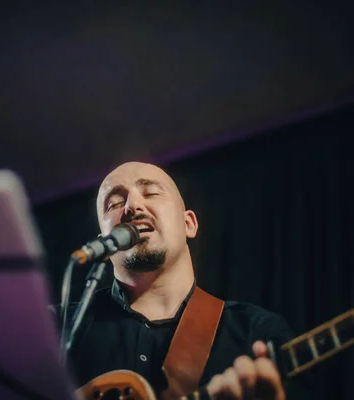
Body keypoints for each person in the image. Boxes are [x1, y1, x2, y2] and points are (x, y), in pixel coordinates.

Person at [61, 161, 313, 399]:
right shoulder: (58, 332)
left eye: (150, 193)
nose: (132, 206)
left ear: (189, 224)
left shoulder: (257, 334)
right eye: (114, 203)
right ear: (104, 240)